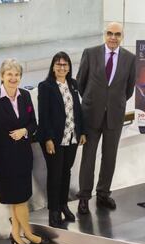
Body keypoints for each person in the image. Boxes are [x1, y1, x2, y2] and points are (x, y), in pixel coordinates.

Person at [0, 58, 48, 244]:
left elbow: (33, 123)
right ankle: (27, 233)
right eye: (9, 74)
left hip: (23, 158)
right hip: (4, 160)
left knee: (21, 199)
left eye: (17, 74)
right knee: (17, 200)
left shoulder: (25, 96)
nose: (13, 78)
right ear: (2, 76)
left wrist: (24, 131)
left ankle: (17, 235)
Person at [76, 21, 136, 214]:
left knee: (110, 157)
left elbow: (129, 89)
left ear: (122, 37)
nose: (113, 37)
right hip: (91, 115)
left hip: (114, 116)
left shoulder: (130, 58)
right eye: (110, 33)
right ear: (104, 35)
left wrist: (112, 103)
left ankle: (103, 194)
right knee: (88, 158)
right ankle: (84, 197)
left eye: (117, 34)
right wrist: (94, 102)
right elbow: (80, 83)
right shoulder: (90, 53)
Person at [37, 51, 87, 228]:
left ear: (69, 67)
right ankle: (54, 210)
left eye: (65, 64)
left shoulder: (73, 84)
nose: (62, 67)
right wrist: (48, 138)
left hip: (71, 137)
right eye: (58, 64)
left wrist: (82, 132)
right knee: (55, 174)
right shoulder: (45, 87)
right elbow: (43, 116)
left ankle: (64, 205)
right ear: (53, 67)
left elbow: (78, 110)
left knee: (66, 172)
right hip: (54, 140)